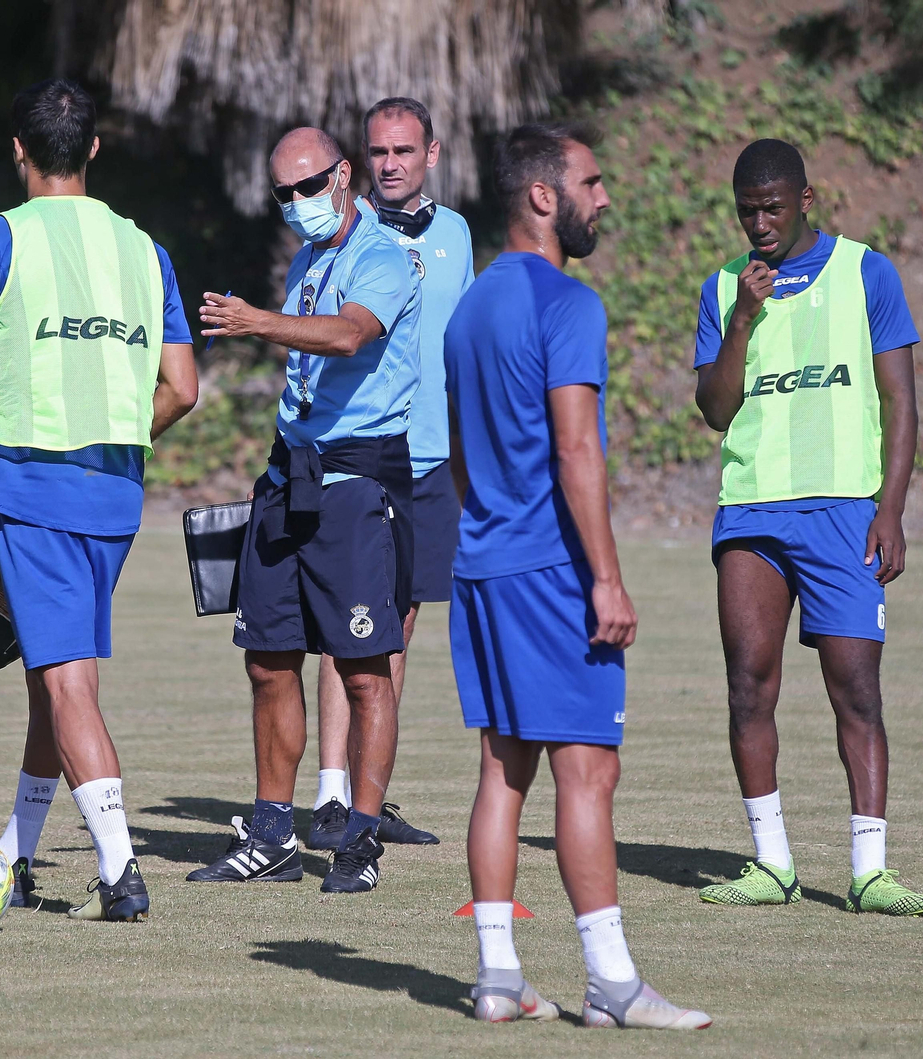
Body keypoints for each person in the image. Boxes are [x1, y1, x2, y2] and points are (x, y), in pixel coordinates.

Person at [448, 122, 710, 1028]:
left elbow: (459, 457)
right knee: (589, 771)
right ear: (543, 196)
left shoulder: (468, 309)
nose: (604, 198)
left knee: (502, 769)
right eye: (591, 183)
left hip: (482, 564)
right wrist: (606, 577)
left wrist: (494, 526)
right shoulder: (568, 303)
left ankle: (498, 977)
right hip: (551, 573)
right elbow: (576, 450)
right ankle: (613, 983)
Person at [0, 79, 197, 923]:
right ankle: (17, 852)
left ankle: (121, 871)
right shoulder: (144, 249)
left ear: (18, 149)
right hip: (115, 493)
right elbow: (183, 387)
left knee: (67, 681)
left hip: (34, 485)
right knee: (53, 675)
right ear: (94, 149)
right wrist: (117, 430)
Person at [692, 139, 923, 916]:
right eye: (747, 211)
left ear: (805, 199)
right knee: (748, 684)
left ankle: (870, 871)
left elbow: (900, 401)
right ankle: (773, 864)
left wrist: (890, 507)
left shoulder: (866, 272)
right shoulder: (724, 286)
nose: (759, 224)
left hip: (843, 511)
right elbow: (715, 409)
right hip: (753, 509)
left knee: (857, 688)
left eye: (772, 207)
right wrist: (742, 318)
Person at [188, 126, 422, 894]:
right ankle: (272, 834)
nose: (297, 202)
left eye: (309, 185)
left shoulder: (383, 256)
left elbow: (350, 336)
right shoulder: (307, 259)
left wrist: (257, 321)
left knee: (362, 670)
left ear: (344, 174)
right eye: (282, 192)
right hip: (289, 476)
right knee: (267, 658)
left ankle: (361, 838)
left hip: (356, 483)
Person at [302, 97, 475, 852]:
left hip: (431, 462)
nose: (391, 163)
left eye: (405, 150)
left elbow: (463, 347)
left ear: (432, 153)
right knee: (348, 625)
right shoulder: (345, 233)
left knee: (397, 628)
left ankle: (369, 799)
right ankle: (329, 796)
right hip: (363, 454)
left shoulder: (457, 234)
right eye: (379, 151)